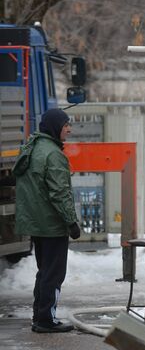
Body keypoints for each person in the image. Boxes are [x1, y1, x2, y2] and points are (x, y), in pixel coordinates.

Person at [13, 108, 81, 333]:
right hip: (52, 225)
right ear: (54, 127)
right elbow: (59, 192)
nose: (69, 129)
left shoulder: (32, 148)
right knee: (53, 274)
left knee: (44, 272)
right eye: (65, 126)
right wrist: (71, 222)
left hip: (37, 223)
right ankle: (46, 320)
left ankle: (39, 315)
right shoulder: (53, 155)